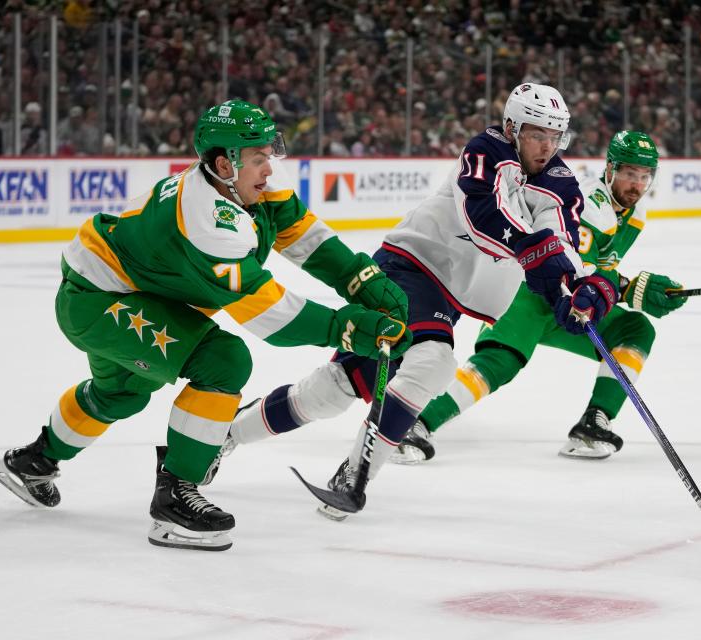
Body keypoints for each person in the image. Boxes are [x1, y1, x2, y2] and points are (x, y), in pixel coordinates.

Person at [0, 100, 410, 551]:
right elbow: (267, 314)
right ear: (225, 163)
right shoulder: (209, 220)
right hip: (98, 301)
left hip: (125, 294)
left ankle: (33, 461)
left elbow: (300, 233)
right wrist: (348, 328)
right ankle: (175, 497)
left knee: (121, 392)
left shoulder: (245, 180)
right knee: (223, 361)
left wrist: (362, 280)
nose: (269, 168)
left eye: (269, 154)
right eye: (260, 158)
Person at [222, 83, 615, 518]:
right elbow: (484, 217)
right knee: (434, 362)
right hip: (408, 267)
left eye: (555, 136)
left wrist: (577, 285)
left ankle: (227, 433)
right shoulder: (486, 150)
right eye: (537, 134)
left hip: (447, 293)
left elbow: (561, 238)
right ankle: (354, 478)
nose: (547, 146)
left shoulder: (558, 181)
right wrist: (537, 254)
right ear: (512, 126)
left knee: (335, 390)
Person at [393, 131, 686, 463]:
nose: (637, 184)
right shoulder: (591, 203)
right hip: (529, 292)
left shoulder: (636, 214)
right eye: (630, 174)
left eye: (644, 176)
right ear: (610, 169)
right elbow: (575, 270)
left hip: (567, 307)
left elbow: (601, 270)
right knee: (498, 364)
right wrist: (629, 289)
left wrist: (624, 287)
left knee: (635, 330)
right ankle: (411, 425)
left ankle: (594, 424)